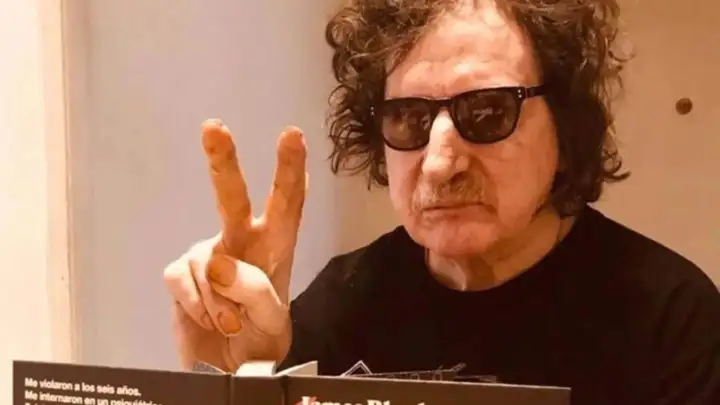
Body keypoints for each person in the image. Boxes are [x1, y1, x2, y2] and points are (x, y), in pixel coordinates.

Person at [163, 0, 720, 404]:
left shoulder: (671, 320)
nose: (438, 162)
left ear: (566, 134)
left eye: (488, 112)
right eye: (408, 118)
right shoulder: (344, 303)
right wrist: (231, 384)